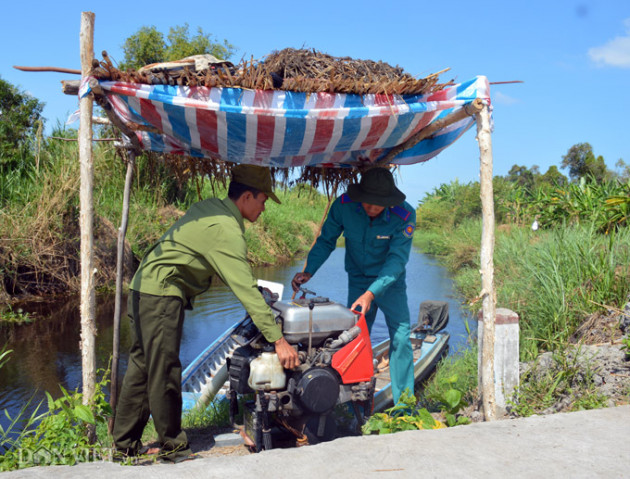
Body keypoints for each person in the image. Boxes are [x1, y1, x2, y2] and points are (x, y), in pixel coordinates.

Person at [113, 165, 299, 462]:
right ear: (248, 196)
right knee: (164, 372)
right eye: (263, 200)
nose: (264, 208)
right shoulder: (227, 231)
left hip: (142, 288)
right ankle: (173, 448)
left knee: (142, 368)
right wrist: (278, 340)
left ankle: (124, 445)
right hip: (161, 294)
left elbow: (210, 260)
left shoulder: (211, 208)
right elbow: (246, 292)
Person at [291, 167, 415, 404]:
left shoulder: (405, 215)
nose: (371, 208)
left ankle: (404, 405)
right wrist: (309, 271)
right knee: (355, 339)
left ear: (389, 202)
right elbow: (326, 239)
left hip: (391, 284)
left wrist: (372, 294)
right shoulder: (344, 205)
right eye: (367, 202)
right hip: (358, 279)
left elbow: (397, 261)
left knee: (400, 338)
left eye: (377, 204)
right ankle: (356, 400)